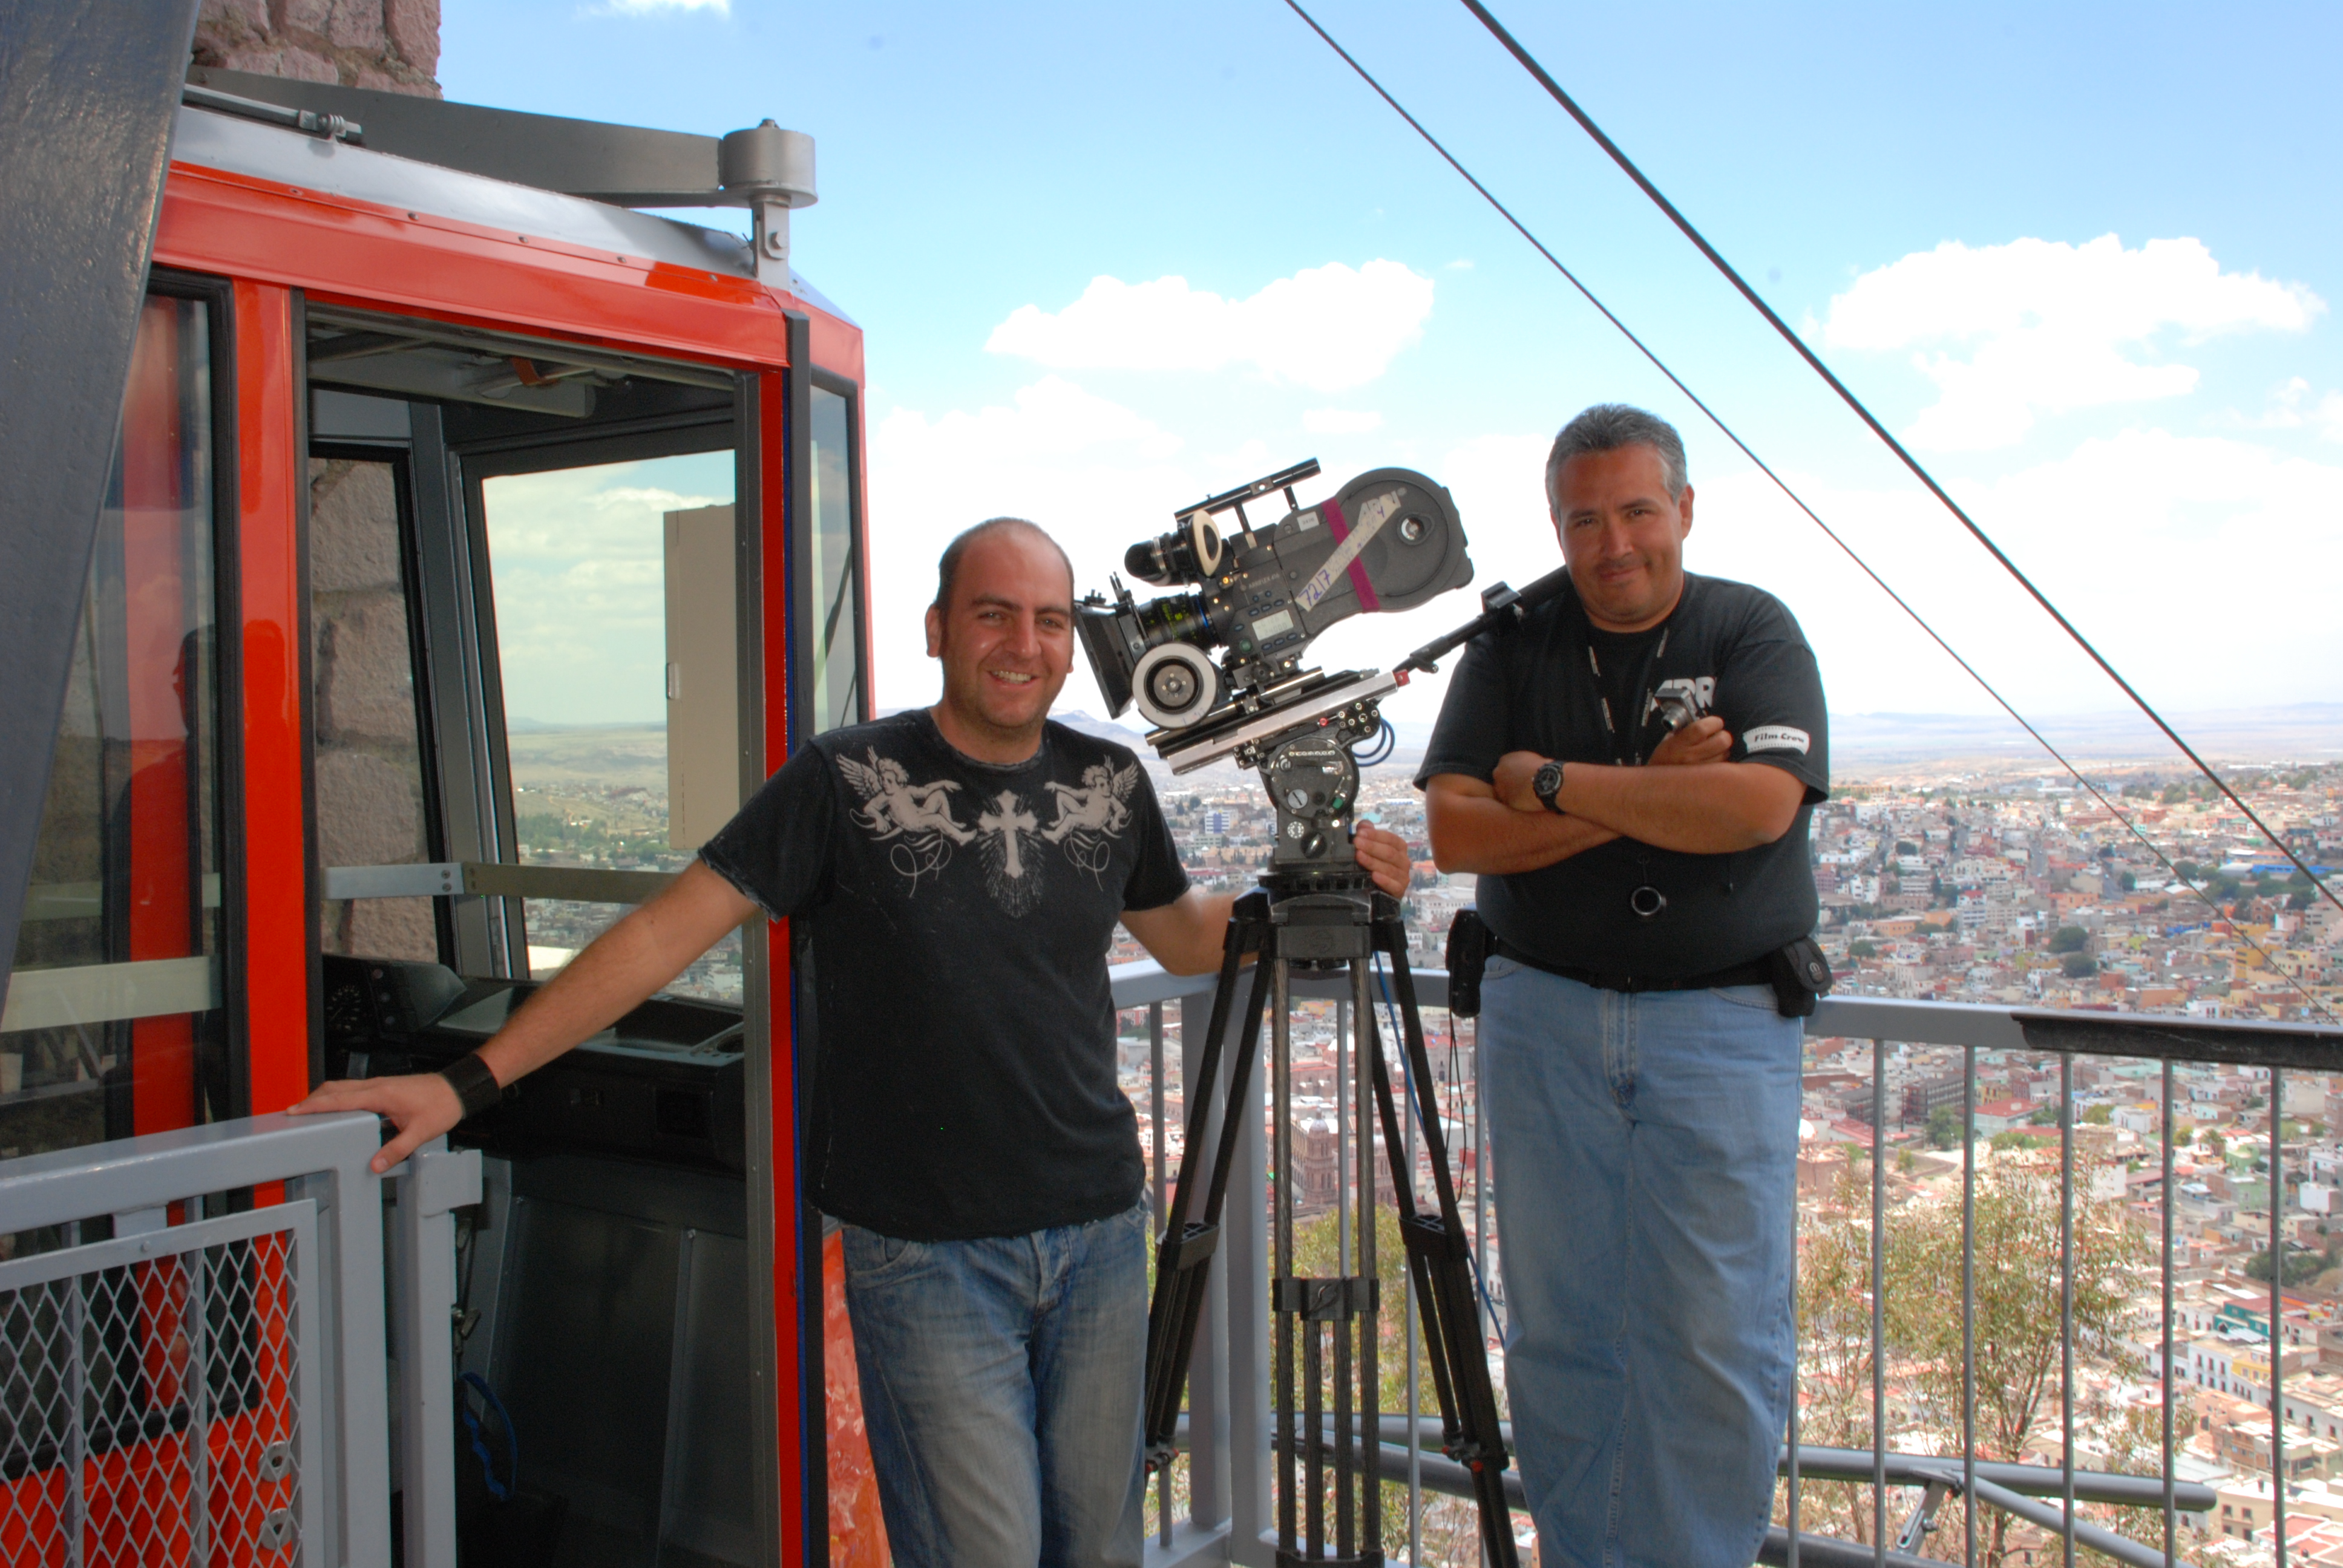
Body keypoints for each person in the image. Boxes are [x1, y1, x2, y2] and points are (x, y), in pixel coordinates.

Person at [296, 515, 1410, 1568]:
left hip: (1101, 1235)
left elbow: (1183, 938)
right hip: (926, 1256)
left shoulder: (1110, 782)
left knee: (1100, 1546)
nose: (1024, 644)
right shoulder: (843, 781)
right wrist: (464, 1083)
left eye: (1050, 619)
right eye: (993, 614)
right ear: (936, 630)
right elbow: (659, 937)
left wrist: (1314, 884)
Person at [1417, 405, 1827, 1567]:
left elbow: (1753, 807)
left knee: (1715, 1331)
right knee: (1561, 1333)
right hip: (1542, 1012)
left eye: (1638, 511)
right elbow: (1455, 830)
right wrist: (1647, 787)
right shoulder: (1511, 640)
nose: (1614, 544)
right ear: (1556, 527)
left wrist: (1546, 787)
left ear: (1685, 510)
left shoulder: (1751, 628)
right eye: (1584, 520)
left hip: (1722, 1017)